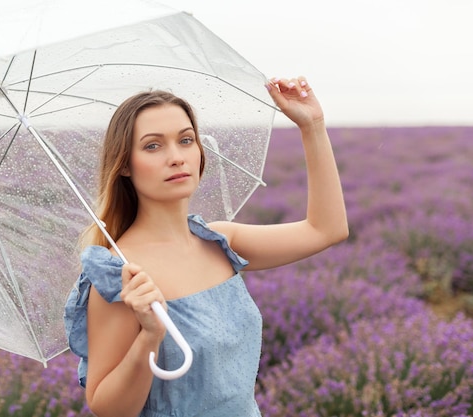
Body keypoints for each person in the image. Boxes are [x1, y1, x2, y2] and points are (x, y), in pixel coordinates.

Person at [64, 77, 348, 417]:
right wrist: (149, 337)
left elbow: (326, 230)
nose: (176, 157)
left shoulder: (219, 242)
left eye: (186, 140)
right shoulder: (122, 274)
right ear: (124, 164)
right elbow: (108, 408)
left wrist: (312, 126)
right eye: (153, 146)